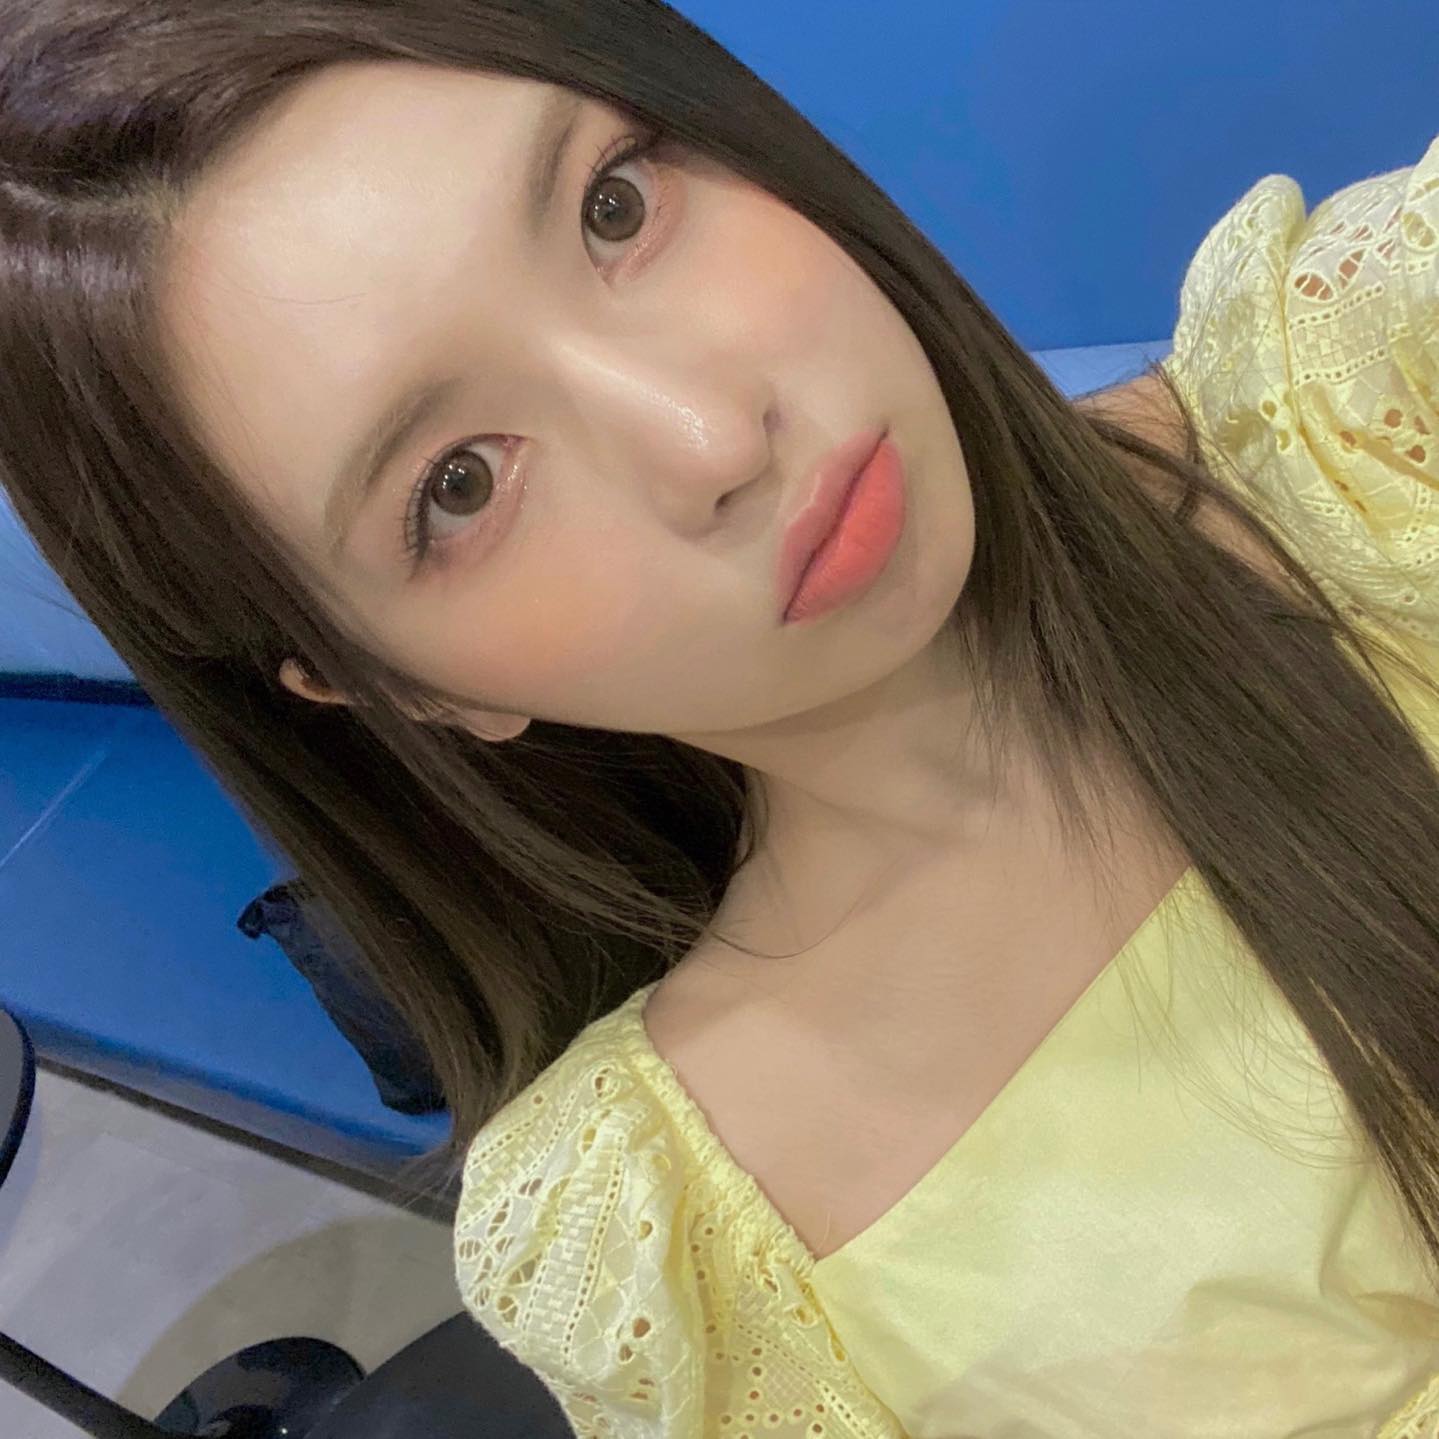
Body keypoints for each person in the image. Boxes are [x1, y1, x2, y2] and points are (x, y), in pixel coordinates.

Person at [3, 1, 1439, 1432]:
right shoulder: (689, 1251)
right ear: (403, 685)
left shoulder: (1372, 394)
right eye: (459, 484)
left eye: (614, 207)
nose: (711, 436)